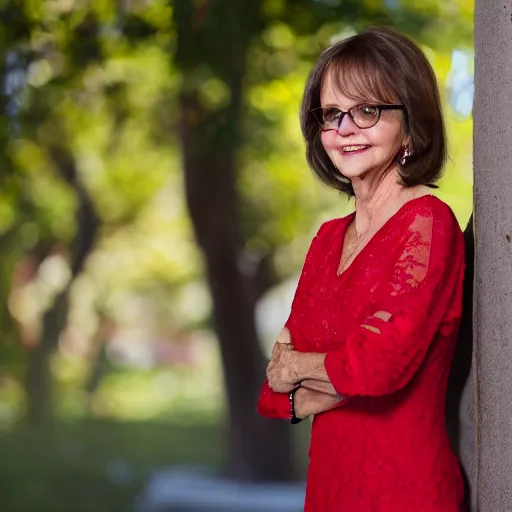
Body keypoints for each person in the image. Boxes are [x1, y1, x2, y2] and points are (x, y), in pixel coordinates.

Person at [257, 26, 466, 512]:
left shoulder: (427, 224)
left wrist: (301, 372)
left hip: (403, 491)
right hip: (330, 490)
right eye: (332, 114)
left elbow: (376, 368)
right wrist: (324, 377)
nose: (345, 129)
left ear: (411, 125)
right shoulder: (329, 239)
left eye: (367, 110)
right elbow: (271, 395)